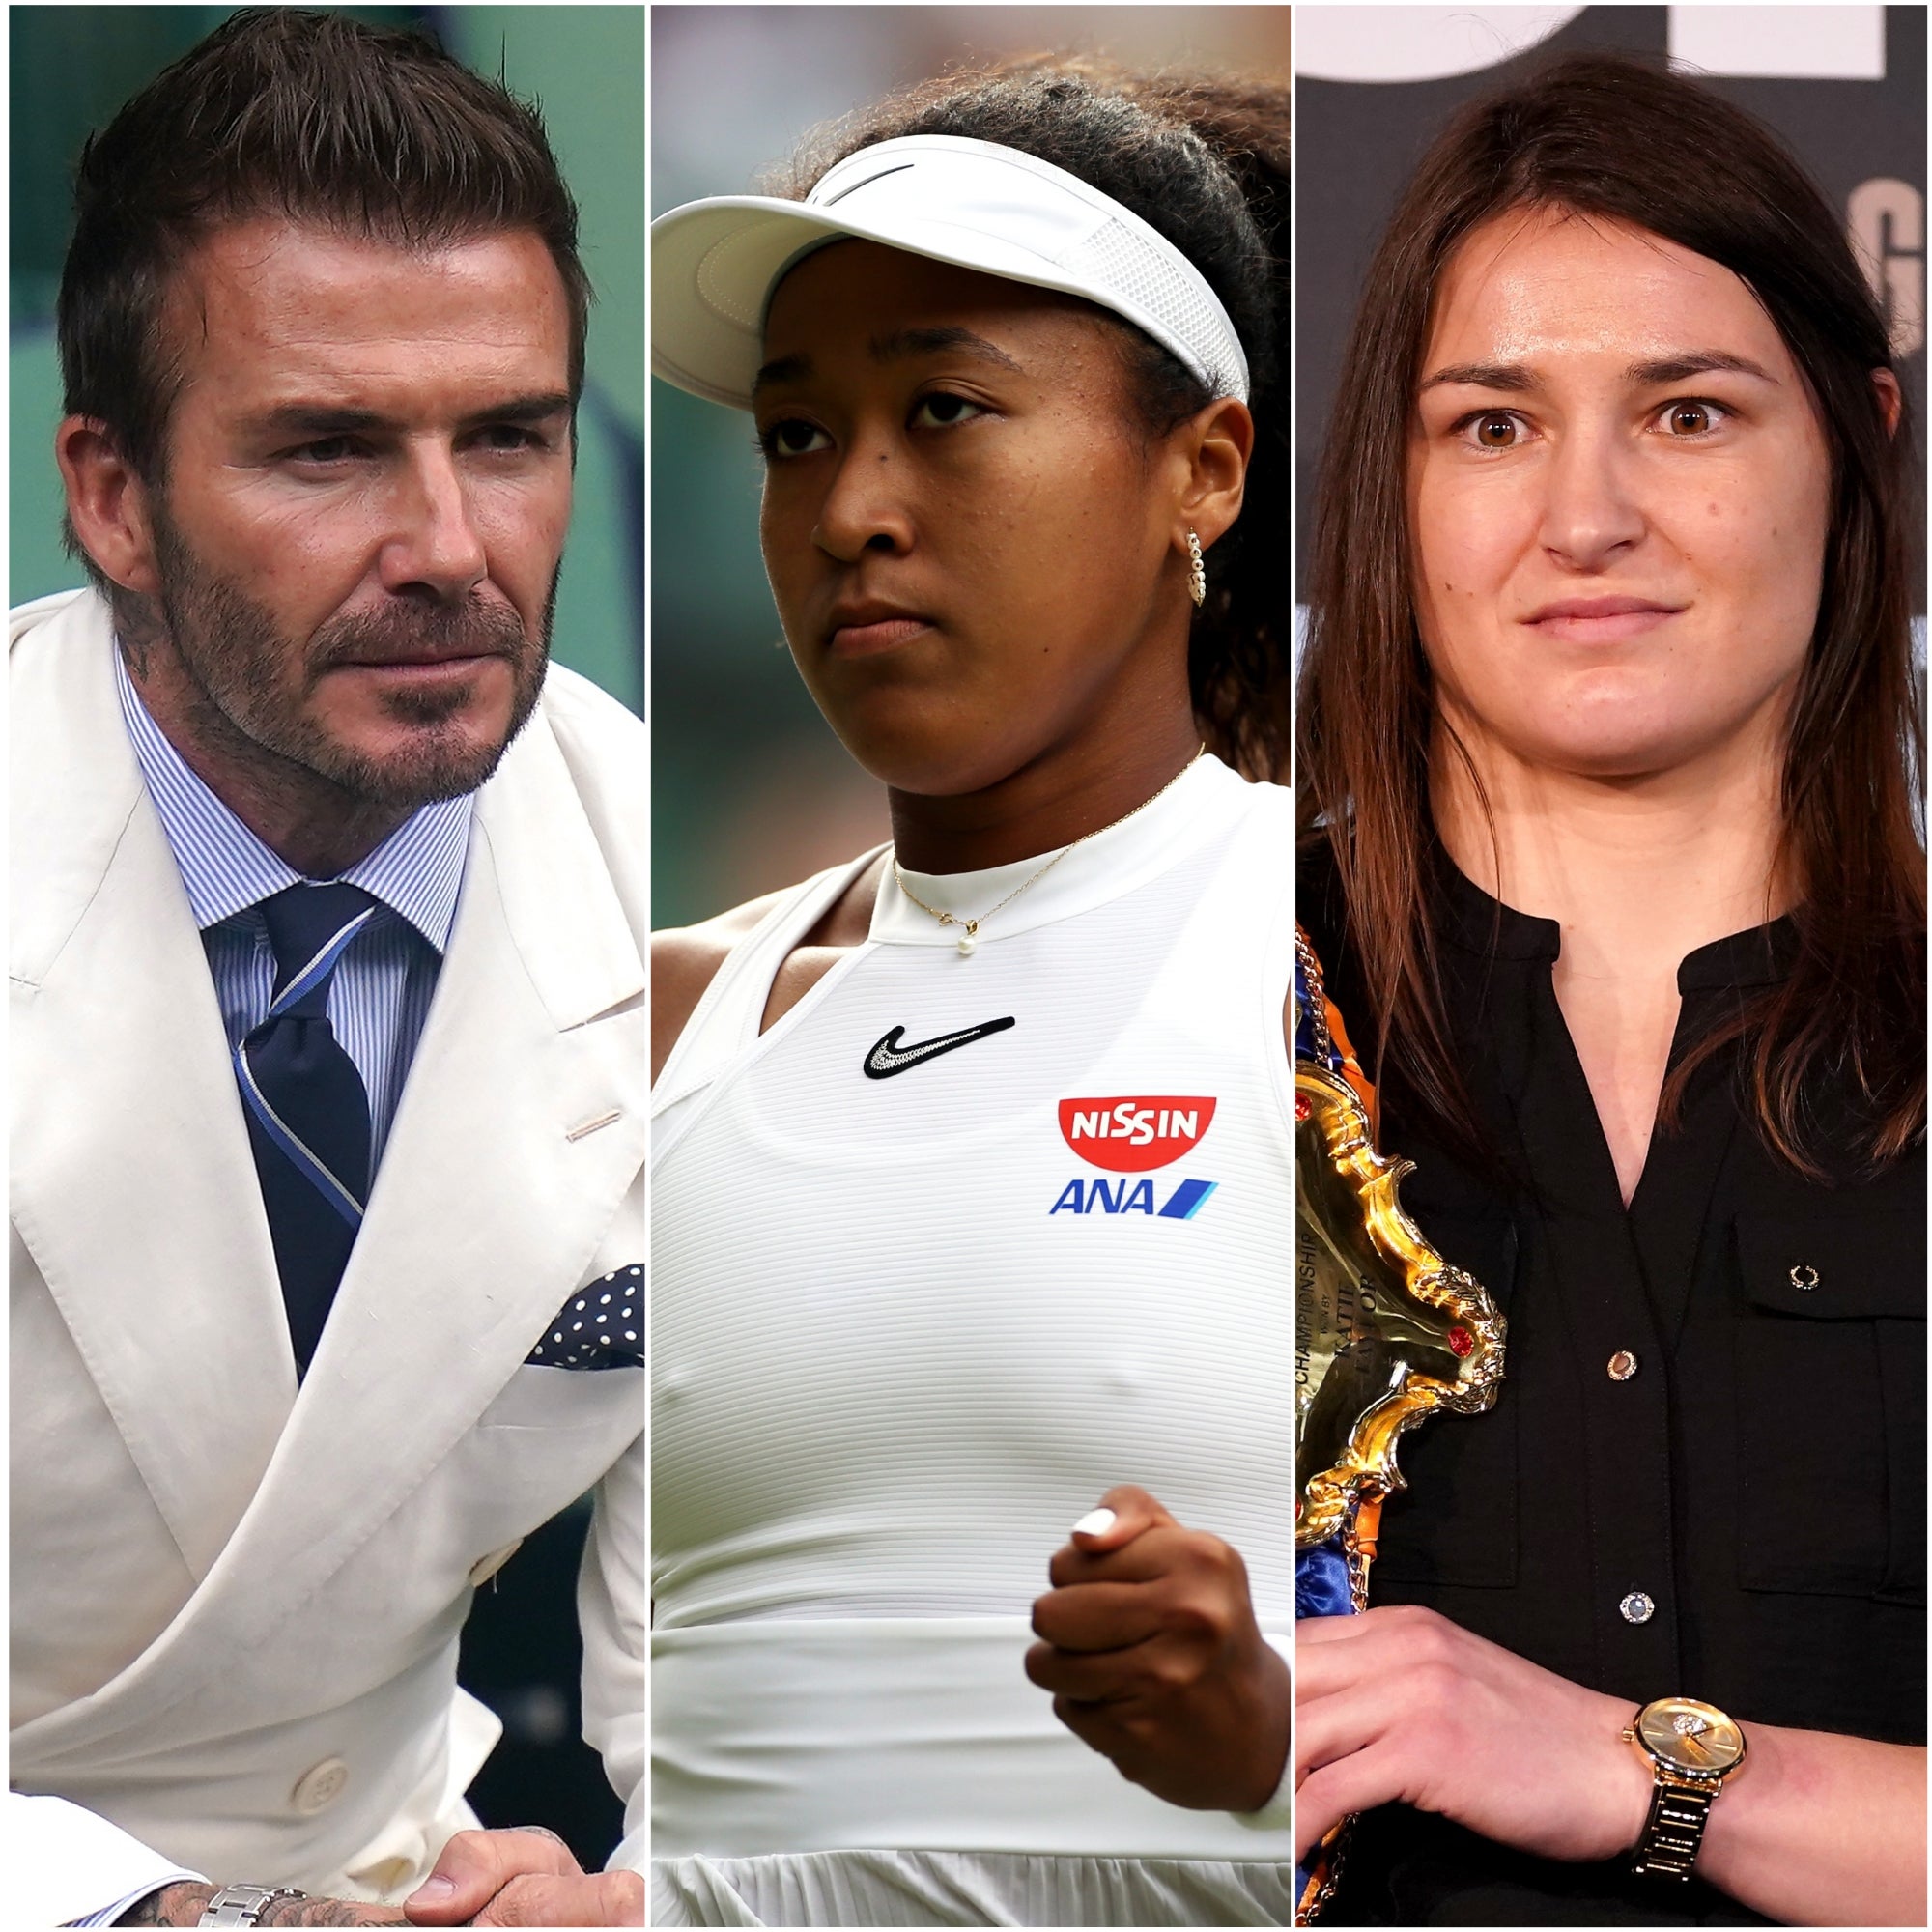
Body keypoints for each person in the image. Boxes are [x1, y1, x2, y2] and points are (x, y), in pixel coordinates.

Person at [10, 14, 648, 1926]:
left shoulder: (699, 904)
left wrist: (653, 1898)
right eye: (326, 450)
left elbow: (751, 1621)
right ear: (114, 497)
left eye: (510, 439)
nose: (448, 547)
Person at [640, 58, 1292, 1931]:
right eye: (792, 434)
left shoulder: (1372, 968)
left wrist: (1273, 1721)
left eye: (942, 409)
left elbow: (1618, 1640)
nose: (850, 509)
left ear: (1205, 468)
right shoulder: (660, 1021)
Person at [1293, 54, 1925, 1927]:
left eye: (1687, 413)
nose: (1584, 516)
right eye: (1490, 425)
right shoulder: (1150, 1031)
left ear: (1859, 440)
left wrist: (1641, 1772)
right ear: (1390, 485)